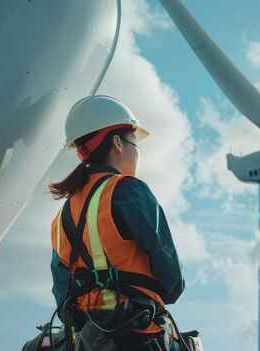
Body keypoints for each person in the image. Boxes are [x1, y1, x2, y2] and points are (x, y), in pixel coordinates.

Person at [47, 95, 185, 351]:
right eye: (135, 142)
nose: (137, 151)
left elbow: (61, 290)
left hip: (90, 340)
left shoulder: (61, 218)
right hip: (141, 333)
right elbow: (171, 277)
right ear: (118, 142)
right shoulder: (128, 190)